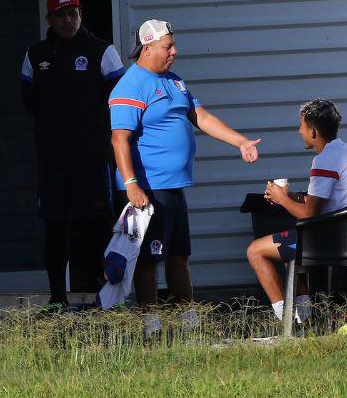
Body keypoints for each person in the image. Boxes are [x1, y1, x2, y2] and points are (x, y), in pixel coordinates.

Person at [109, 19, 261, 336]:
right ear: (147, 48)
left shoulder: (173, 81)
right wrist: (131, 185)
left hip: (174, 187)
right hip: (149, 189)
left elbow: (200, 117)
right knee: (150, 258)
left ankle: (189, 324)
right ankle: (151, 327)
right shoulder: (130, 86)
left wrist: (241, 141)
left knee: (179, 255)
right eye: (168, 47)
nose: (174, 52)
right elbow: (119, 140)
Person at [20, 0, 125, 310]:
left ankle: (108, 296)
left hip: (93, 157)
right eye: (61, 15)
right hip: (53, 159)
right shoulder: (35, 54)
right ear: (50, 19)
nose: (68, 20)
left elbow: (119, 100)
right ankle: (56, 298)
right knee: (55, 225)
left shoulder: (102, 50)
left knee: (98, 224)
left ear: (81, 15)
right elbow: (29, 100)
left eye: (73, 13)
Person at [246, 99, 347, 323]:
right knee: (288, 247)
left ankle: (285, 320)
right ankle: (304, 320)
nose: (299, 131)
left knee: (255, 251)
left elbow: (308, 215)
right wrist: (292, 197)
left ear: (313, 131)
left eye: (301, 126)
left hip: (338, 242)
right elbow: (326, 200)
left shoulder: (324, 160)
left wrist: (281, 198)